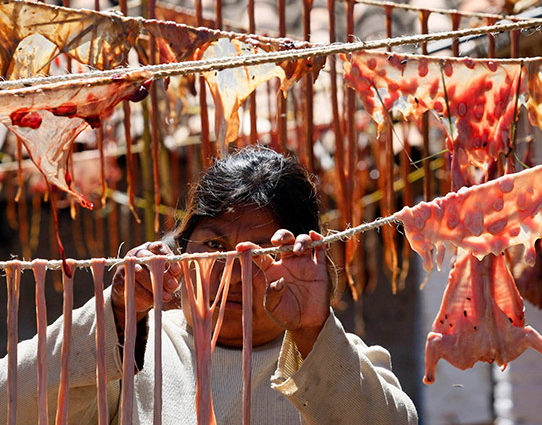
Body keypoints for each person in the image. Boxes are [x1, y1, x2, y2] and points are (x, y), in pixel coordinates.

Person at [1, 146, 418, 424]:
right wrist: (118, 311)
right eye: (215, 245)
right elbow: (9, 399)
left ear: (301, 263)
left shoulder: (336, 361)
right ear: (183, 251)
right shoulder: (134, 353)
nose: (233, 272)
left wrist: (312, 331)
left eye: (259, 252)